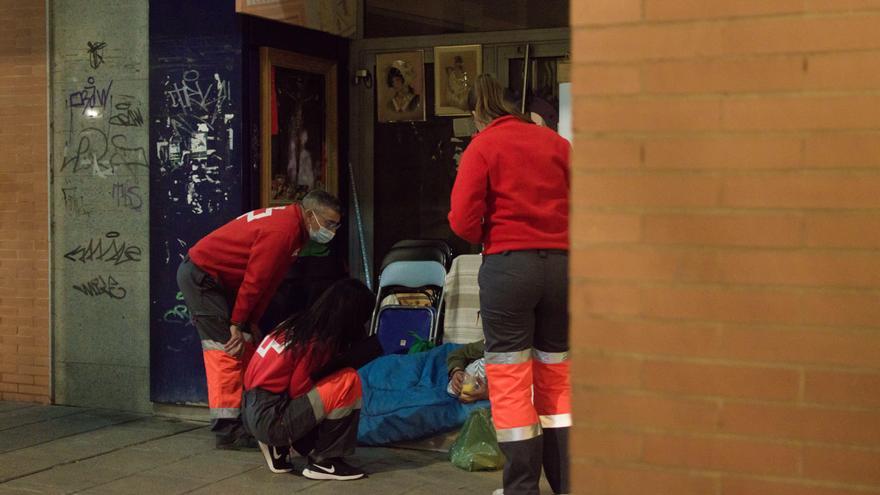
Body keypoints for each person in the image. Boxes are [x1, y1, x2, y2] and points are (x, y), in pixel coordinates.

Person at [448, 74, 571, 495]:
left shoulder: (483, 146)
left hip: (509, 268)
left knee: (512, 379)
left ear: (477, 114)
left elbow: (462, 218)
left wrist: (489, 231)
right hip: (561, 268)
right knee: (557, 377)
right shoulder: (556, 143)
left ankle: (521, 488)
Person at [176, 190, 343, 450]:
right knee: (225, 350)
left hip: (218, 281)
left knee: (248, 345)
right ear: (311, 215)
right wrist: (237, 323)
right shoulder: (283, 233)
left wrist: (249, 323)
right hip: (204, 279)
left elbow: (268, 282)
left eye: (336, 225)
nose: (332, 230)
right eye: (329, 223)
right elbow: (255, 282)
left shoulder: (293, 228)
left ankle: (248, 419)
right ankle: (228, 430)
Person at [242, 278, 383, 480]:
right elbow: (299, 390)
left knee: (331, 385)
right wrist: (339, 367)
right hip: (272, 419)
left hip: (251, 410)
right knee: (347, 381)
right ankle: (324, 461)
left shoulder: (295, 325)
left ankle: (276, 444)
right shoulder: (318, 340)